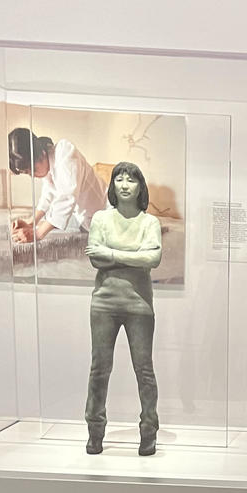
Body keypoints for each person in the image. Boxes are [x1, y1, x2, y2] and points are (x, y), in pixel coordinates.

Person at [83, 162, 162, 456]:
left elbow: (153, 259)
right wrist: (134, 255)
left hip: (139, 304)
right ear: (112, 185)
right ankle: (94, 431)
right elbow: (95, 258)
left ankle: (149, 432)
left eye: (131, 179)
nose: (125, 184)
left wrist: (112, 254)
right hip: (103, 303)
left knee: (144, 370)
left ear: (141, 186)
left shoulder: (149, 222)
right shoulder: (101, 219)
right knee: (99, 369)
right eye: (119, 178)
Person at [7, 128, 107, 243]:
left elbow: (66, 197)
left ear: (41, 153)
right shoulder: (48, 166)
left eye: (33, 169)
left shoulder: (64, 151)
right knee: (51, 217)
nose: (33, 175)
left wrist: (38, 234)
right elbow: (48, 195)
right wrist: (31, 222)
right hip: (85, 220)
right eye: (28, 173)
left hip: (106, 217)